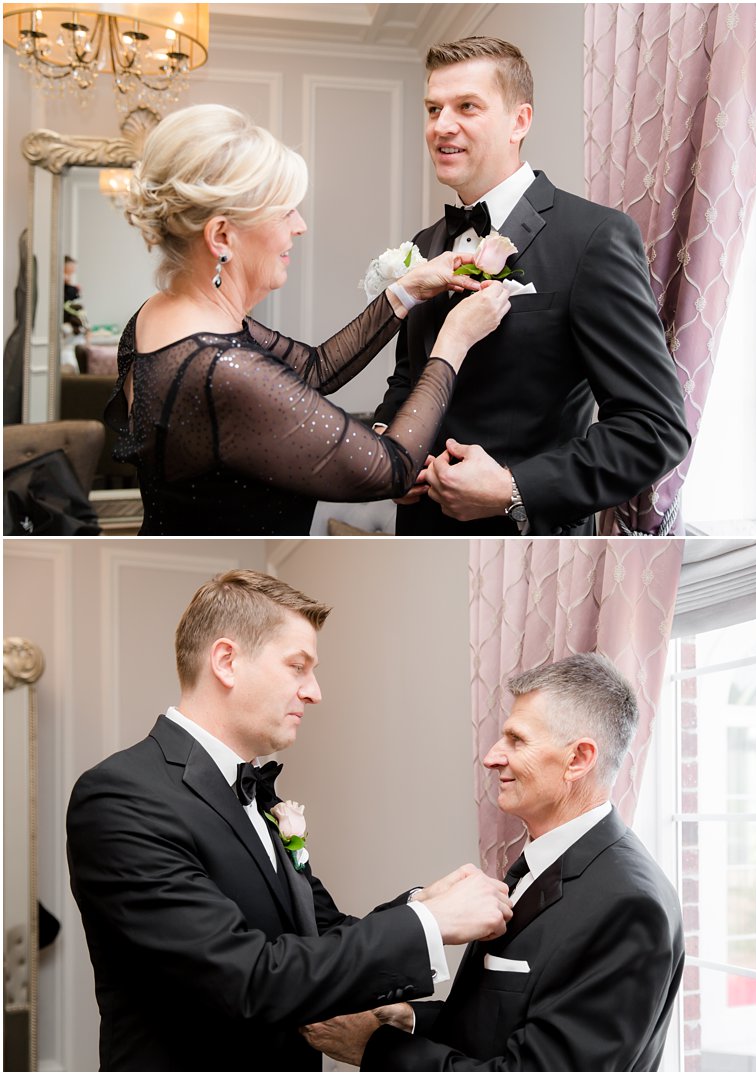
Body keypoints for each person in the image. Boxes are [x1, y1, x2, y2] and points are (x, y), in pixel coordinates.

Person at [66, 570, 515, 1071]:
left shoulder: (255, 791)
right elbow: (248, 978)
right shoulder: (121, 796)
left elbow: (317, 936)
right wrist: (429, 924)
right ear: (227, 661)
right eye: (298, 667)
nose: (315, 692)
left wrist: (420, 903)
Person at [106, 104, 516, 536]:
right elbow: (393, 467)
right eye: (284, 211)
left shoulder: (158, 315)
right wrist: (452, 341)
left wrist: (407, 289)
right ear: (222, 236)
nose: (299, 225)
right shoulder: (222, 370)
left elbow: (314, 368)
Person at [300, 653, 684, 1071]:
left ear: (578, 759)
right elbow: (502, 1023)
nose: (491, 757)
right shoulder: (547, 859)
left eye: (517, 740)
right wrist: (408, 1019)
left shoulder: (626, 905)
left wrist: (371, 1048)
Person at [373, 37, 690, 536]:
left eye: (467, 107)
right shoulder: (424, 244)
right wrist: (385, 448)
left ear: (520, 121)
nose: (441, 126)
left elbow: (654, 428)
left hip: (529, 545)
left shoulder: (593, 238)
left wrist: (513, 487)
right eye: (433, 108)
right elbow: (409, 378)